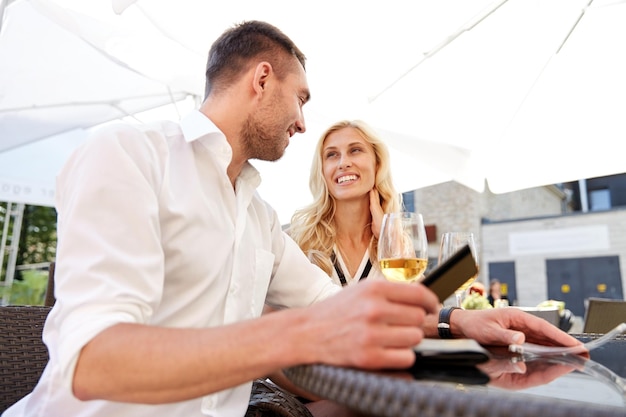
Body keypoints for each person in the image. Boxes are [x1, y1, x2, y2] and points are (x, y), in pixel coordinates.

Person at [5, 21, 581, 417]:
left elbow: (337, 309)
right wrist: (297, 335)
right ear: (261, 79)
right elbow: (91, 361)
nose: (304, 124)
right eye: (301, 98)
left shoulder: (257, 219)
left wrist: (456, 325)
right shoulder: (128, 154)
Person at [265, 120, 583, 404]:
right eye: (331, 154)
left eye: (355, 150)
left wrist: (387, 234)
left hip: (382, 390)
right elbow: (271, 333)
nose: (343, 162)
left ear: (377, 164)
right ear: (321, 170)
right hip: (313, 396)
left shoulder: (396, 248)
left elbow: (414, 319)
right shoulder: (298, 240)